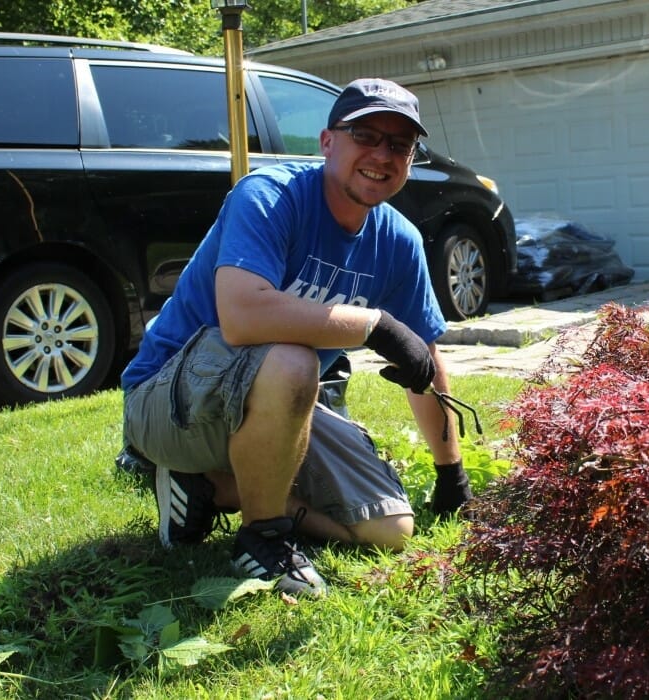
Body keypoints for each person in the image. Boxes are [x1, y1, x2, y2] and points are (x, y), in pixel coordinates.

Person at [120, 78, 474, 597]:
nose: (382, 154)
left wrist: (451, 474)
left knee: (391, 530)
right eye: (366, 135)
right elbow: (241, 316)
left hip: (275, 404)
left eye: (399, 145)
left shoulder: (399, 241)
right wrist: (375, 325)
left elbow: (423, 359)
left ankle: (211, 488)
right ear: (327, 141)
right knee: (291, 358)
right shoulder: (270, 195)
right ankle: (262, 536)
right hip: (166, 402)